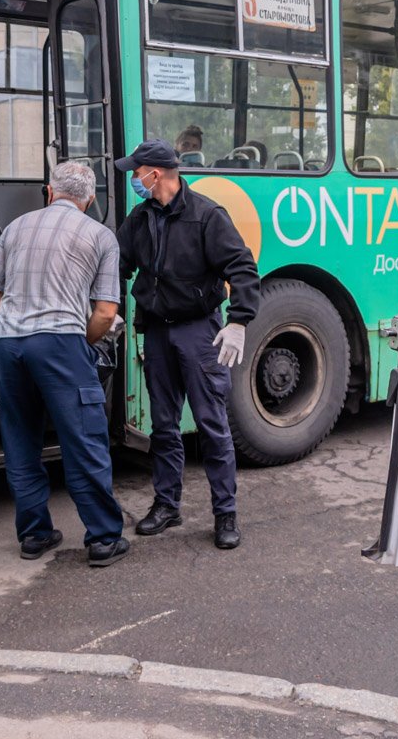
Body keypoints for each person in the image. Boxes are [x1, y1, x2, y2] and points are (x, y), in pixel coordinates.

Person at [0, 161, 129, 567]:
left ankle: (34, 535)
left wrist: (17, 322)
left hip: (9, 345)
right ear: (91, 199)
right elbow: (105, 312)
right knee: (84, 440)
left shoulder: (16, 227)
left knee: (21, 441)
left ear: (49, 191)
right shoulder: (100, 235)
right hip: (61, 343)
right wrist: (79, 342)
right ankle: (103, 539)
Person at [115, 139, 260, 550]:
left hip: (199, 332)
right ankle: (167, 505)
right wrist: (109, 307)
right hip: (157, 331)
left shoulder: (206, 216)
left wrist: (239, 321)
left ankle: (225, 513)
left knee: (211, 424)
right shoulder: (140, 218)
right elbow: (118, 263)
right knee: (163, 425)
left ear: (155, 174)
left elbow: (242, 268)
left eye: (137, 172)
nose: (134, 179)